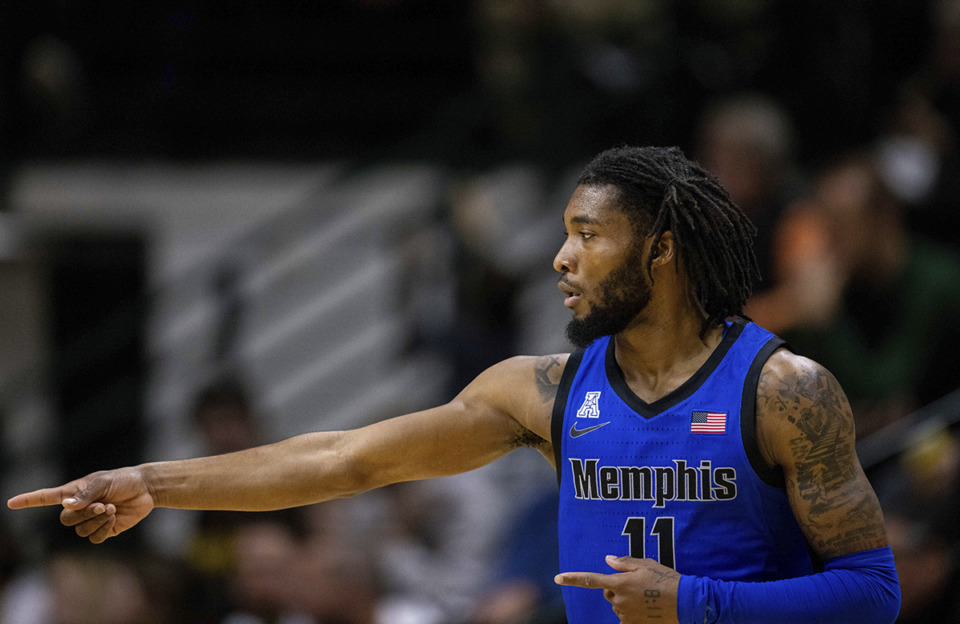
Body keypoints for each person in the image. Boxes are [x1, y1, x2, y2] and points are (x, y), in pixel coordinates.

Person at [7, 146, 900, 623]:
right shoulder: (542, 391)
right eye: (564, 233)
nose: (560, 257)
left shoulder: (783, 390)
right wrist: (153, 484)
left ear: (661, 251)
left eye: (589, 236)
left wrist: (696, 605)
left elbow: (872, 591)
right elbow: (342, 461)